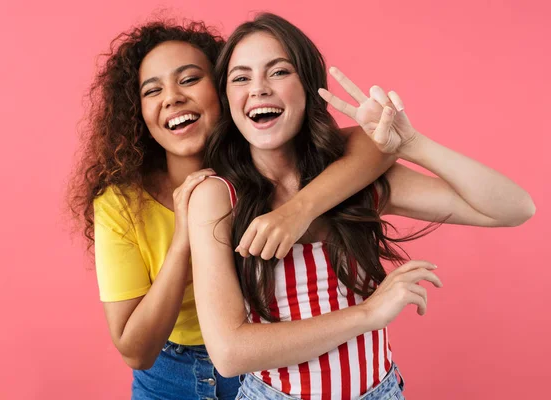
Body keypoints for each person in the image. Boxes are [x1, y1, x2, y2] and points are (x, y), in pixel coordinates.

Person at [188, 13, 535, 400]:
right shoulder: (217, 197)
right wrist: (368, 315)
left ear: (308, 86)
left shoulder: (358, 179)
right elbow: (230, 354)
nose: (258, 89)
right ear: (227, 98)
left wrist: (413, 145)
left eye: (279, 72)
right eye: (241, 78)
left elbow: (514, 208)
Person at [68, 18, 394, 400]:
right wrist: (184, 239)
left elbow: (377, 144)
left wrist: (299, 209)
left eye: (189, 79)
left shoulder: (268, 163)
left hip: (269, 359)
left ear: (224, 89)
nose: (171, 97)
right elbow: (136, 350)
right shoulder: (121, 203)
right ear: (137, 113)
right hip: (171, 373)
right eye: (152, 90)